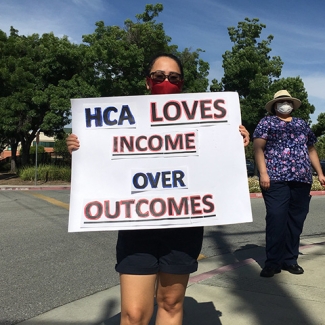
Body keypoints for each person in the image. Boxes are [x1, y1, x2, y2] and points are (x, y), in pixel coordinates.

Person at [67, 53, 250, 325]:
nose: (166, 81)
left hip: (184, 225)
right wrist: (81, 147)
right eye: (159, 76)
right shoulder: (122, 118)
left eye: (173, 77)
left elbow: (214, 159)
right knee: (134, 314)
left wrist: (233, 141)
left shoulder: (201, 118)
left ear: (182, 82)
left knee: (171, 304)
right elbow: (106, 160)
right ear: (147, 81)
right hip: (137, 225)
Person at [253, 90, 325, 278]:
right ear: (275, 105)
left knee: (295, 220)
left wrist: (320, 173)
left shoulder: (301, 124)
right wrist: (263, 173)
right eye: (281, 101)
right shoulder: (266, 122)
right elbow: (258, 148)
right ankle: (272, 262)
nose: (285, 104)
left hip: (302, 179)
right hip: (275, 178)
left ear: (292, 104)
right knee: (277, 218)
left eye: (287, 101)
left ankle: (290, 259)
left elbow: (311, 148)